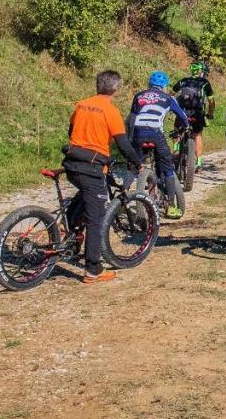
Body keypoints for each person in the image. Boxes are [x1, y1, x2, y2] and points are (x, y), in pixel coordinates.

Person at [62, 69, 142, 284]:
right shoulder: (110, 111)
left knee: (83, 197)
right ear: (116, 88)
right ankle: (92, 270)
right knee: (95, 219)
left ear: (97, 85)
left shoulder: (81, 104)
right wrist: (136, 162)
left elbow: (71, 131)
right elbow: (123, 144)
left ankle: (69, 237)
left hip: (72, 162)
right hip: (92, 167)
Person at [129, 71, 191, 219]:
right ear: (164, 86)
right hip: (155, 134)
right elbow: (182, 116)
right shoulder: (168, 98)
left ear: (149, 84)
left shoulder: (138, 96)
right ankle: (170, 206)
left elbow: (132, 117)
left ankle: (122, 202)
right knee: (168, 169)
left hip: (137, 134)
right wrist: (186, 127)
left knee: (134, 166)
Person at [172, 61, 215, 167]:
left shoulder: (183, 81)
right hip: (197, 113)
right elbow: (211, 101)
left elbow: (171, 93)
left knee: (177, 130)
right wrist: (210, 114)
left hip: (182, 112)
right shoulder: (204, 83)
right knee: (197, 134)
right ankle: (199, 162)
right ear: (202, 72)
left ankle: (176, 149)